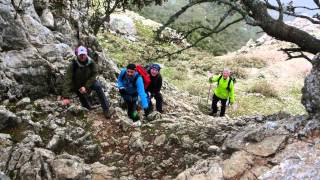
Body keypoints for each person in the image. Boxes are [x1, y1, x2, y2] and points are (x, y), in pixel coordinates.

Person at [61, 46, 113, 118]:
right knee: (82, 98)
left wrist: (85, 87)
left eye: (84, 54)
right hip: (77, 84)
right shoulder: (73, 64)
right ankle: (87, 107)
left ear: (86, 54)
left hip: (89, 82)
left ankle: (106, 109)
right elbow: (68, 79)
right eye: (80, 55)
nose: (82, 56)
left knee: (98, 87)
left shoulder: (91, 63)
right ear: (77, 55)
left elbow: (94, 75)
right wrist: (66, 96)